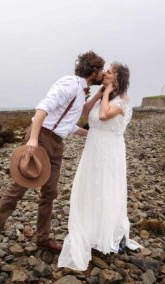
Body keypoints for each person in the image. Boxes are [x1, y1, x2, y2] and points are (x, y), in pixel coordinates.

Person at [0, 51, 105, 263]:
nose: (104, 73)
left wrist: (93, 130)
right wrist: (32, 140)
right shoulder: (69, 83)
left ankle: (42, 238)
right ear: (93, 71)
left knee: (50, 193)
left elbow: (72, 119)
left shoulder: (80, 90)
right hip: (40, 139)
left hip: (56, 143)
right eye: (101, 70)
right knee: (17, 190)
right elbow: (42, 109)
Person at [58, 62, 141, 271]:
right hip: (93, 148)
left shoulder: (122, 100)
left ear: (117, 78)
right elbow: (86, 112)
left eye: (110, 72)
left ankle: (108, 233)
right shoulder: (105, 96)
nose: (105, 73)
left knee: (106, 188)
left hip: (109, 150)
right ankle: (92, 230)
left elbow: (104, 116)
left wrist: (107, 93)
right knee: (89, 187)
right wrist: (101, 93)